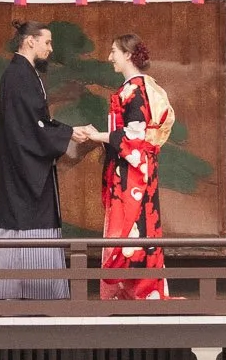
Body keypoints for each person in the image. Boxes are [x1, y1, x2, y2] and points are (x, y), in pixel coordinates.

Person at [74, 33, 173, 301]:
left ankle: (139, 292)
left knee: (133, 226)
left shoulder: (136, 89)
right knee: (130, 228)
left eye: (114, 51)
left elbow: (134, 137)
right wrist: (104, 138)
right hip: (130, 169)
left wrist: (99, 136)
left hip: (134, 175)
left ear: (128, 55)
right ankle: (131, 291)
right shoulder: (134, 88)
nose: (110, 57)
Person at [0, 20, 74, 301]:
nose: (50, 49)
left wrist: (66, 132)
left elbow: (39, 123)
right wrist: (70, 133)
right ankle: (32, 293)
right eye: (47, 42)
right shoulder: (18, 76)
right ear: (30, 41)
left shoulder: (23, 74)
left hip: (23, 165)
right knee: (26, 219)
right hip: (22, 171)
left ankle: (29, 291)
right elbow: (34, 127)